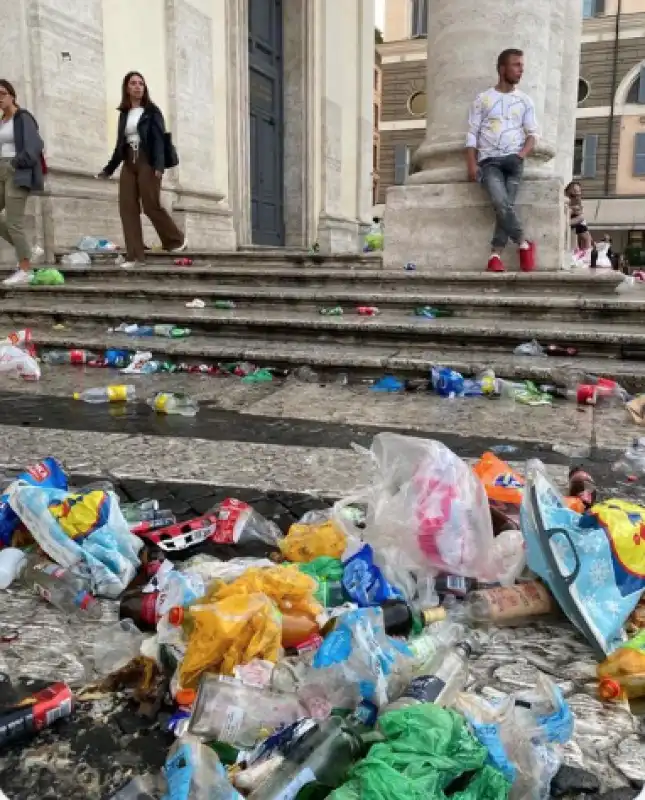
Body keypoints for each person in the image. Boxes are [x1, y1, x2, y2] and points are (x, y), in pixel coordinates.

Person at [98, 71, 186, 269]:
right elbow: (120, 145)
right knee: (127, 207)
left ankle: (175, 240)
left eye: (141, 84)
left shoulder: (152, 112)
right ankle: (135, 256)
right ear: (127, 88)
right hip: (129, 160)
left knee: (151, 204)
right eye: (133, 83)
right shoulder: (124, 113)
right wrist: (109, 169)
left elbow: (159, 141)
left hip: (147, 159)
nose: (138, 87)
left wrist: (159, 166)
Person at [465, 49, 538, 273]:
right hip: (489, 162)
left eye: (521, 66)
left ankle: (495, 256)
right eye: (516, 65)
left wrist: (521, 155)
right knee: (501, 203)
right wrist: (471, 163)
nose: (520, 70)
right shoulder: (483, 99)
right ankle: (524, 243)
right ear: (502, 69)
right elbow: (471, 134)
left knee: (505, 207)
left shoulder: (525, 100)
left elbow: (533, 134)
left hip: (514, 162)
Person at [0, 79, 45, 286]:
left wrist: (15, 164)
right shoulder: (2, 120)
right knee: (10, 223)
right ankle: (27, 251)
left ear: (12, 94)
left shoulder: (23, 117)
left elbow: (35, 146)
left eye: (2, 93)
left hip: (16, 172)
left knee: (14, 222)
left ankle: (25, 270)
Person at [564, 181, 593, 255]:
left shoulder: (578, 203)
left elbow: (579, 211)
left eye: (578, 195)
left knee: (586, 236)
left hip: (571, 222)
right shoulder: (563, 201)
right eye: (572, 196)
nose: (576, 198)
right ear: (566, 193)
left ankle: (586, 253)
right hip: (565, 221)